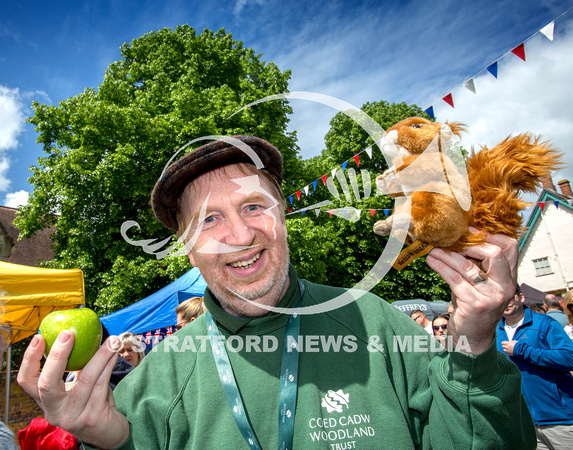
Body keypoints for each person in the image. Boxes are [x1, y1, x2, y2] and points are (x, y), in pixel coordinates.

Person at [18, 135, 535, 449]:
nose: (240, 236)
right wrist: (111, 441)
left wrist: (475, 351)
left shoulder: (375, 323)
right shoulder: (157, 376)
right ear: (184, 245)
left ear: (283, 215)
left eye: (253, 206)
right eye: (209, 220)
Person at [498, 284, 573, 449]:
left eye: (509, 297)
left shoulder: (545, 323)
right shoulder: (494, 332)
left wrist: (522, 350)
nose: (505, 302)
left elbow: (569, 358)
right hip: (523, 423)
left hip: (559, 418)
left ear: (521, 297)